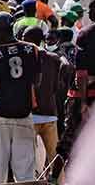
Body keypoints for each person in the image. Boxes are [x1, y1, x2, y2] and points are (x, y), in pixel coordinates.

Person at [0, 12, 39, 181]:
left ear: (1, 31)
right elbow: (37, 80)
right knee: (26, 172)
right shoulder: (32, 49)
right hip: (24, 115)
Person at [59, 0, 95, 165]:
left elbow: (81, 73)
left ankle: (59, 177)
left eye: (91, 9)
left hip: (85, 94)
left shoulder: (85, 34)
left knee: (72, 143)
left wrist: (82, 102)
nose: (89, 13)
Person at [18, 26, 61, 178]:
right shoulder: (54, 59)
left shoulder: (23, 60)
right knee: (55, 160)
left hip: (30, 116)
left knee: (26, 163)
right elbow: (56, 86)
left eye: (23, 37)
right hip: (50, 114)